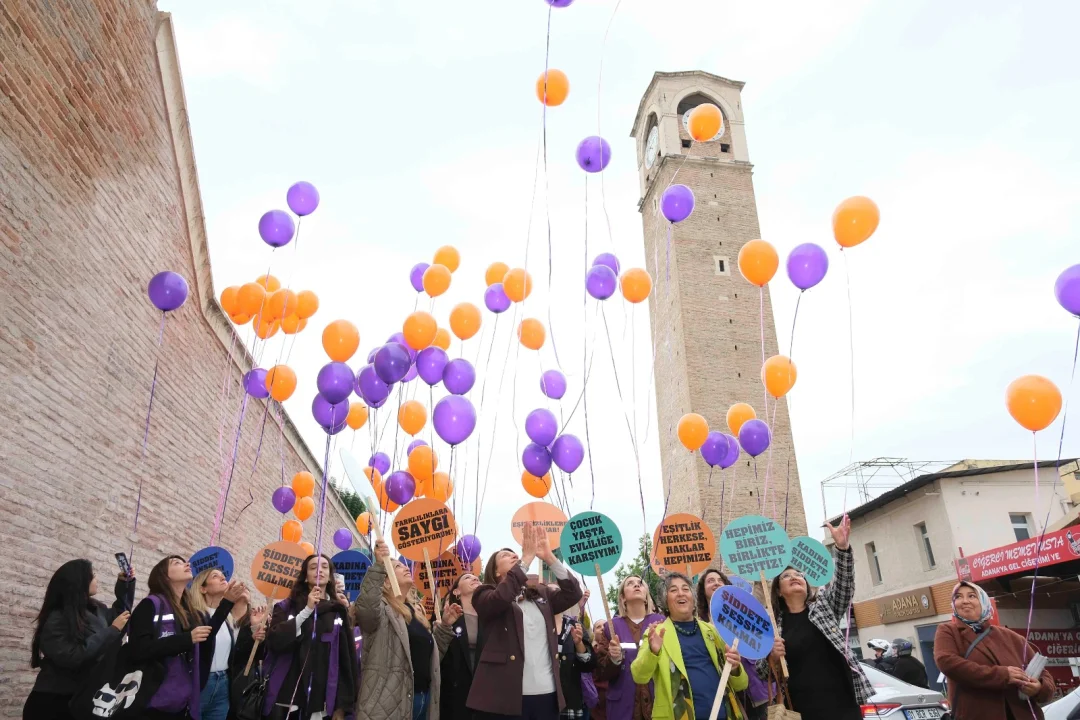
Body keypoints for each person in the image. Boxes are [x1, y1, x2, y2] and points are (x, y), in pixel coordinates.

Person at [757, 517, 872, 720]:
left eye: (799, 575)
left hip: (843, 705)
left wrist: (842, 548)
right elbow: (760, 671)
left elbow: (844, 587)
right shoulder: (772, 625)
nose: (794, 577)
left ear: (807, 585)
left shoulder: (824, 608)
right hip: (801, 709)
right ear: (779, 591)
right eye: (786, 576)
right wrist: (772, 656)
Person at [467, 522, 583, 720]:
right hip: (506, 698)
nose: (514, 555)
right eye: (505, 555)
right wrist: (526, 559)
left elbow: (573, 594)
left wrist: (550, 558)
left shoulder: (541, 593)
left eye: (516, 554)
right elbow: (501, 599)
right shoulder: (484, 594)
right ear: (496, 572)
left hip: (547, 693)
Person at [128, 555, 244, 720]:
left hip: (180, 699)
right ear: (164, 576)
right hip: (152, 698)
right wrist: (186, 639)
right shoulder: (150, 605)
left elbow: (206, 638)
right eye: (177, 563)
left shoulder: (186, 610)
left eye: (185, 561)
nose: (186, 564)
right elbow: (138, 650)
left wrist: (227, 603)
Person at [354, 540, 458, 720]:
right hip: (388, 704)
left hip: (422, 699)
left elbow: (431, 657)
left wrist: (445, 626)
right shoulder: (381, 609)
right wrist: (378, 567)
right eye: (397, 566)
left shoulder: (415, 613)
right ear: (385, 580)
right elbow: (367, 610)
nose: (405, 568)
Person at [23, 559, 135, 720]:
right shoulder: (57, 618)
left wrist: (126, 584)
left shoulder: (97, 609)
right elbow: (72, 656)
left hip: (83, 699)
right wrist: (112, 630)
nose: (97, 579)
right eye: (93, 576)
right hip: (54, 702)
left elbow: (121, 615)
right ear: (79, 581)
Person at [630, 572, 747, 720]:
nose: (681, 594)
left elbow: (741, 684)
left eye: (685, 589)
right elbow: (639, 676)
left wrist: (735, 667)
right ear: (665, 600)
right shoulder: (656, 634)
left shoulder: (712, 631)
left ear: (693, 598)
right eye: (673, 590)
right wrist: (652, 651)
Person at [934, 580, 1054, 719]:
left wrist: (1038, 688)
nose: (964, 601)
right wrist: (1002, 675)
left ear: (984, 601)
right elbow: (947, 662)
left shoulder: (1011, 637)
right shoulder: (948, 631)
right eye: (958, 597)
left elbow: (1044, 674)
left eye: (972, 596)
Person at [265, 554, 358, 720]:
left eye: (324, 567)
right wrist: (307, 610)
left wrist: (342, 705)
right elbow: (275, 641)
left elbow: (346, 659)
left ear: (330, 577)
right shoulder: (287, 606)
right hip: (289, 696)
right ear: (305, 576)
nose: (319, 571)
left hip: (322, 698)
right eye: (313, 567)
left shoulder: (338, 611)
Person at [186, 567, 268, 720]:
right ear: (202, 588)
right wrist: (227, 602)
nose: (223, 578)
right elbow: (205, 640)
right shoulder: (195, 614)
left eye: (223, 576)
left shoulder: (227, 619)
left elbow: (235, 654)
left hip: (223, 682)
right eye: (215, 576)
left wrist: (254, 635)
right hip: (203, 682)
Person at [695, 569, 770, 720]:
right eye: (710, 581)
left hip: (754, 689)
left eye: (719, 580)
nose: (716, 582)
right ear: (703, 591)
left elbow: (758, 599)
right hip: (724, 691)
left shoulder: (741, 609)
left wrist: (759, 574)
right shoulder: (699, 623)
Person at [592, 575, 665, 720]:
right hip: (622, 708)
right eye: (630, 583)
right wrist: (614, 659)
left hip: (656, 703)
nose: (636, 585)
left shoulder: (661, 622)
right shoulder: (611, 627)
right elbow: (600, 672)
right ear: (623, 597)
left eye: (640, 583)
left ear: (646, 595)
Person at [441, 572, 482, 720]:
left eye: (476, 577)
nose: (475, 578)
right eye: (467, 577)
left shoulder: (489, 616)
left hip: (484, 691)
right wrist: (444, 625)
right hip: (457, 693)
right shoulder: (447, 617)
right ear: (457, 592)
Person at [553, 589, 596, 720]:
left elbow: (589, 665)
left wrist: (579, 644)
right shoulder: (535, 625)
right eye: (548, 593)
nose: (554, 597)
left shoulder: (574, 625)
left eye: (557, 593)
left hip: (570, 701)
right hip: (542, 699)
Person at [589, 620, 610, 720]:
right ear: (593, 632)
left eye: (605, 625)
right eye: (598, 627)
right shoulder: (590, 652)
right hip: (598, 702)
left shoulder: (616, 649)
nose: (602, 628)